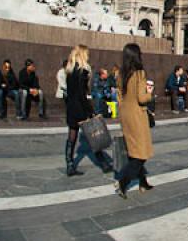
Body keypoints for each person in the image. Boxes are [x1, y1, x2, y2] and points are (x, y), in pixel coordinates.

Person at [64, 44, 112, 176]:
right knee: (93, 136)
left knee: (72, 136)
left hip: (71, 107)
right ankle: (104, 164)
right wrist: (90, 111)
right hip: (81, 107)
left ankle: (69, 164)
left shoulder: (69, 70)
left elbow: (70, 92)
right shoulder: (83, 71)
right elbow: (82, 94)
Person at [115, 43, 154, 198]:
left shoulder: (121, 74)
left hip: (125, 115)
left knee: (133, 150)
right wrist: (149, 91)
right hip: (137, 115)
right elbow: (142, 98)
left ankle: (143, 182)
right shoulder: (139, 74)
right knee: (141, 154)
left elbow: (119, 95)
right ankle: (123, 181)